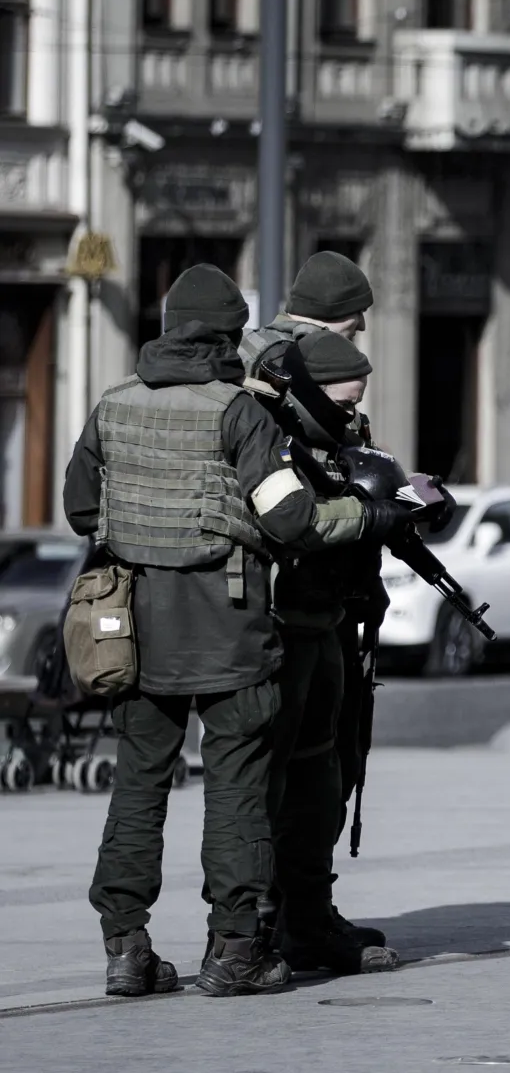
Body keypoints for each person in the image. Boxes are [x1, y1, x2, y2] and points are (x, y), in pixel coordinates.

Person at [63, 264, 409, 999]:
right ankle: (235, 951)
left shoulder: (112, 405)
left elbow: (81, 509)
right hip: (230, 627)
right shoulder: (237, 411)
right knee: (239, 792)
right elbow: (291, 518)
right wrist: (371, 516)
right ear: (226, 333)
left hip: (135, 630)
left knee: (137, 788)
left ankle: (126, 948)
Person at [257, 330, 400, 974]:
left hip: (326, 622)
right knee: (260, 786)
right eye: (343, 405)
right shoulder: (265, 433)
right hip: (275, 630)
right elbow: (293, 521)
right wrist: (367, 515)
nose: (351, 417)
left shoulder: (333, 442)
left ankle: (309, 921)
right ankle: (246, 929)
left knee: (322, 780)